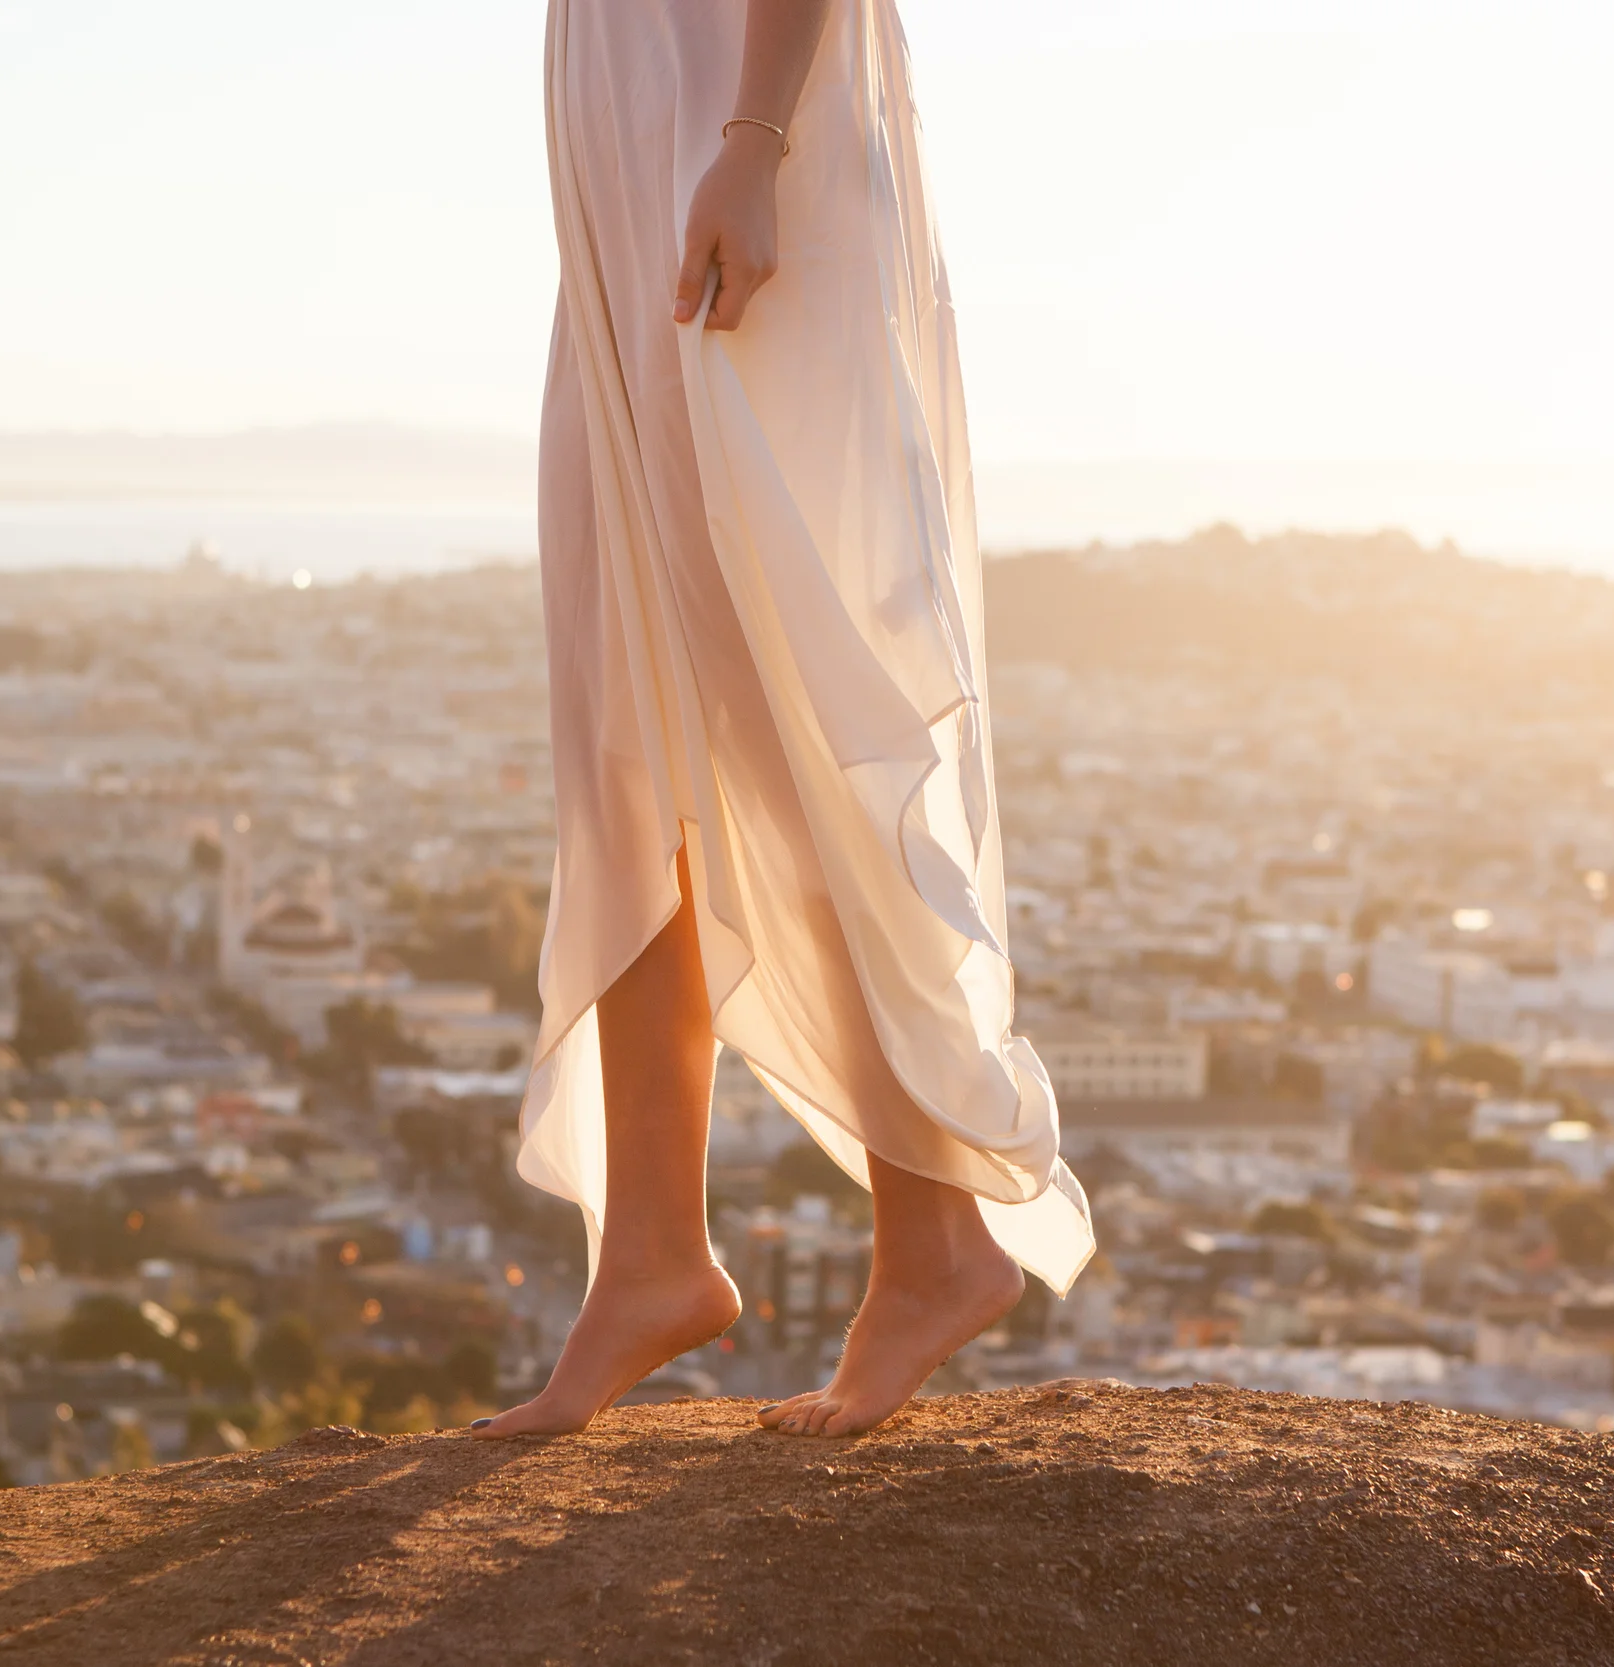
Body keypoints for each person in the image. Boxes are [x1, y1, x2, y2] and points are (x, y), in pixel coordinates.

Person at [473, 0, 1092, 1443]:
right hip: (637, 168)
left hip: (747, 149)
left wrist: (753, 145)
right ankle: (650, 1257)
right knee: (619, 729)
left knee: (777, 715)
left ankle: (935, 1243)